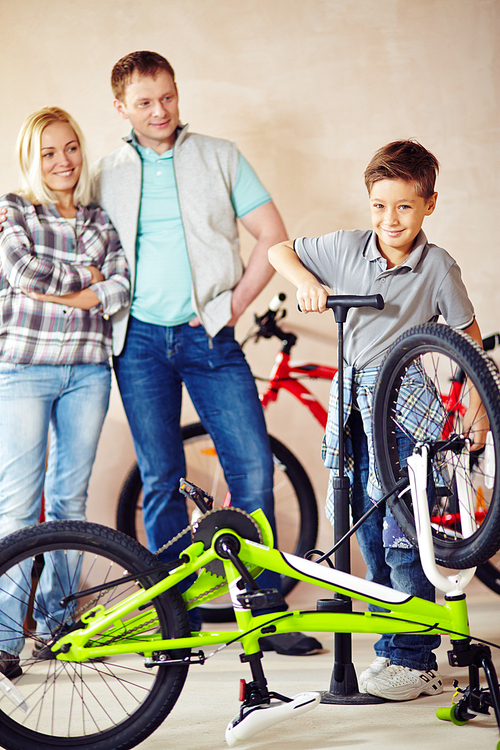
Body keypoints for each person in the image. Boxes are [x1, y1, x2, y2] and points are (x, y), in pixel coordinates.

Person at [89, 50, 321, 654]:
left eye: (167, 96)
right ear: (121, 107)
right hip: (136, 339)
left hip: (210, 334)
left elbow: (273, 235)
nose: (160, 110)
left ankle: (266, 613)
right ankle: (177, 616)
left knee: (251, 470)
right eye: (144, 102)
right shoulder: (105, 172)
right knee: (162, 478)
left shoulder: (220, 156)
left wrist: (232, 306)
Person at [268, 139, 486, 698]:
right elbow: (279, 250)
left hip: (405, 407)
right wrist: (306, 282)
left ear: (430, 205)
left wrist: (481, 409)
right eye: (379, 206)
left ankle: (415, 659)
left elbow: (467, 337)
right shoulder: (346, 248)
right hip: (351, 409)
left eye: (405, 207)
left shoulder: (438, 266)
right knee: (364, 523)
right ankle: (392, 648)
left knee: (406, 533)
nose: (390, 220)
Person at [0, 107, 131, 678]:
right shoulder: (13, 209)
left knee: (69, 504)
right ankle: (6, 636)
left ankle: (59, 625)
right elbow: (22, 273)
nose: (63, 161)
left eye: (71, 148)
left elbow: (123, 286)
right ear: (33, 158)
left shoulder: (100, 219)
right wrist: (88, 283)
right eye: (49, 152)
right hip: (22, 369)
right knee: (18, 507)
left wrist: (85, 289)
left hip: (87, 372)